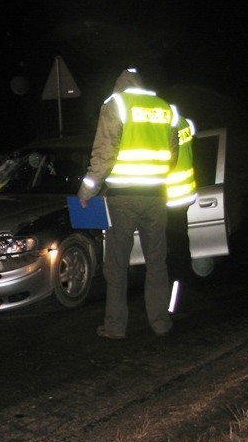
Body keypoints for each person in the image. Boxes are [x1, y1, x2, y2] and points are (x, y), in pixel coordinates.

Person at [77, 67, 179, 339]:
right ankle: (161, 324)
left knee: (117, 265)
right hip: (156, 197)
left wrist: (87, 189)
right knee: (157, 263)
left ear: (119, 85)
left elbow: (104, 153)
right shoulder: (164, 108)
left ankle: (115, 327)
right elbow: (172, 155)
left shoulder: (117, 104)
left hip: (123, 198)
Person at [166, 116, 197, 284]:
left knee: (172, 243)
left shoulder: (165, 126)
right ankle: (184, 277)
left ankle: (177, 278)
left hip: (170, 194)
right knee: (181, 240)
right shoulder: (185, 122)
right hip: (185, 192)